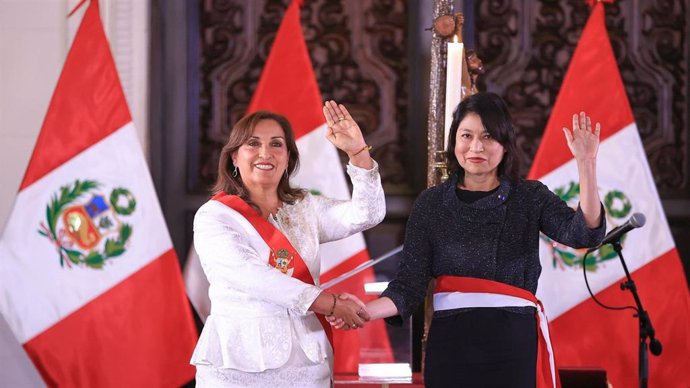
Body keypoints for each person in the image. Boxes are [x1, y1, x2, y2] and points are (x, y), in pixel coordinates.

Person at [332, 92, 606, 388]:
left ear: (505, 145)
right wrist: (363, 311)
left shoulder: (529, 197)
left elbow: (583, 233)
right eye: (467, 135)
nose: (476, 147)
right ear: (454, 142)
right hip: (452, 346)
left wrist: (586, 163)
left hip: (513, 344)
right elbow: (409, 287)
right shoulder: (431, 204)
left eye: (488, 137)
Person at [190, 101, 383, 387]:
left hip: (306, 365)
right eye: (252, 144)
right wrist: (329, 303)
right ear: (234, 157)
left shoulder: (305, 207)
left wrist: (357, 153)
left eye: (276, 144)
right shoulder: (215, 216)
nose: (265, 153)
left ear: (288, 157)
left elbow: (368, 213)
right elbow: (253, 276)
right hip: (238, 366)